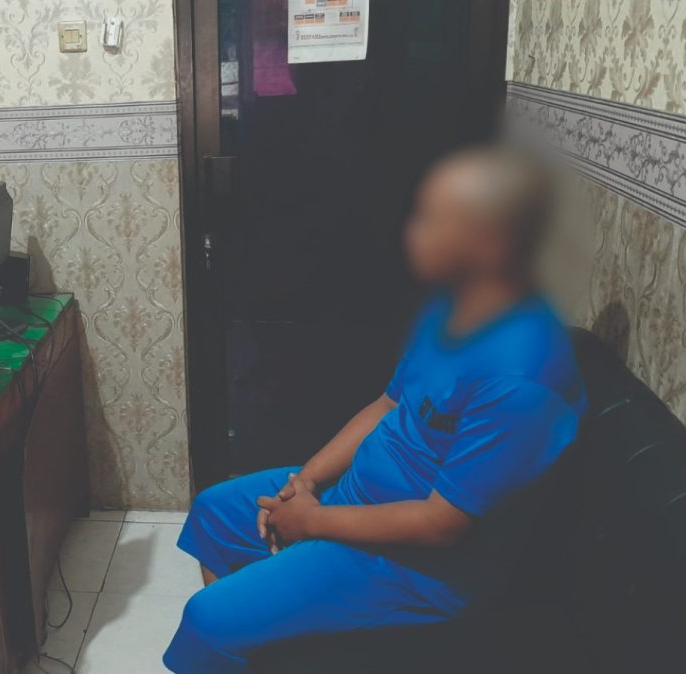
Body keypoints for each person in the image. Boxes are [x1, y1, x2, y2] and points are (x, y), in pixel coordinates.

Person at [163, 147, 587, 673]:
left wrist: (314, 522)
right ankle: (264, 639)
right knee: (214, 511)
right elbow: (389, 403)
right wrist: (307, 481)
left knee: (208, 618)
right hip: (355, 497)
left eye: (437, 221)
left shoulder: (524, 376)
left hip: (419, 567)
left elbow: (441, 524)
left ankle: (249, 627)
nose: (415, 234)